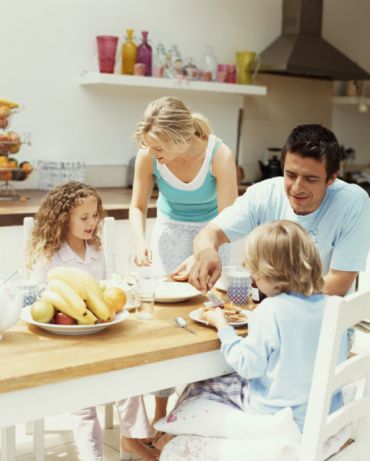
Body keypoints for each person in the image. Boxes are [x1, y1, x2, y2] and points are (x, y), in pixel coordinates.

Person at [156, 220, 348, 452]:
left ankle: (169, 433)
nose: (253, 279)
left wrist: (222, 326)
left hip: (280, 415)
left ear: (270, 273)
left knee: (201, 385)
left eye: (254, 272)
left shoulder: (271, 310)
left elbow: (248, 366)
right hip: (325, 413)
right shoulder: (334, 307)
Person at [27, 181, 159, 461]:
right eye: (83, 217)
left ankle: (134, 438)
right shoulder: (49, 255)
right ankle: (92, 457)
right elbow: (36, 301)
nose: (91, 223)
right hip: (65, 344)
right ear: (63, 219)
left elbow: (106, 291)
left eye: (95, 215)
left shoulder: (96, 249)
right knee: (82, 401)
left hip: (99, 336)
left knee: (127, 375)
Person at [129, 96, 238, 421]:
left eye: (160, 147)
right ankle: (160, 413)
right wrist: (138, 241)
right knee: (166, 324)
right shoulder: (148, 154)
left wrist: (204, 253)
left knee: (209, 319)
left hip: (215, 234)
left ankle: (200, 406)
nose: (154, 154)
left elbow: (230, 218)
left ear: (180, 138)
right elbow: (137, 205)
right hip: (170, 232)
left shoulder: (219, 155)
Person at [185, 124, 370, 296]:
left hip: (321, 316)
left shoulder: (352, 202)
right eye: (290, 175)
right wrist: (207, 252)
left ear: (332, 178)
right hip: (268, 308)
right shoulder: (264, 193)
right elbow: (210, 233)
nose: (297, 187)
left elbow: (338, 282)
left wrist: (281, 304)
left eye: (310, 179)